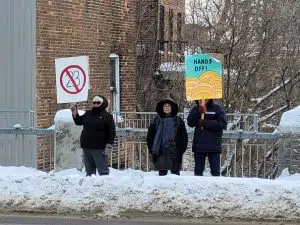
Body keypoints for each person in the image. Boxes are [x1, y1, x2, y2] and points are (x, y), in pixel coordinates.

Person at [70, 95, 116, 176]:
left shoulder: (107, 116)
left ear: (103, 103)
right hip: (86, 146)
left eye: (98, 102)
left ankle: (104, 186)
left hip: (99, 148)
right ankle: (90, 186)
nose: (96, 104)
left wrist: (109, 145)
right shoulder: (88, 114)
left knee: (103, 171)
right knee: (89, 172)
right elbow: (78, 121)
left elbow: (112, 132)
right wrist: (74, 111)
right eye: (94, 102)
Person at [147, 99, 188, 176]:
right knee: (162, 175)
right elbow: (150, 136)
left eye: (169, 106)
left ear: (172, 108)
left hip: (174, 152)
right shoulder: (156, 120)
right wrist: (152, 149)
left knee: (175, 175)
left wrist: (180, 150)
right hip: (160, 152)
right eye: (165, 106)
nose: (167, 108)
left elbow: (184, 137)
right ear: (162, 108)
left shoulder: (178, 120)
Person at [187, 99, 227, 176]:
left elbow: (222, 124)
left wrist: (204, 123)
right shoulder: (195, 108)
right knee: (198, 172)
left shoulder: (217, 108)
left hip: (214, 145)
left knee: (215, 172)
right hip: (199, 145)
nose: (201, 100)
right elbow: (190, 122)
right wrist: (198, 112)